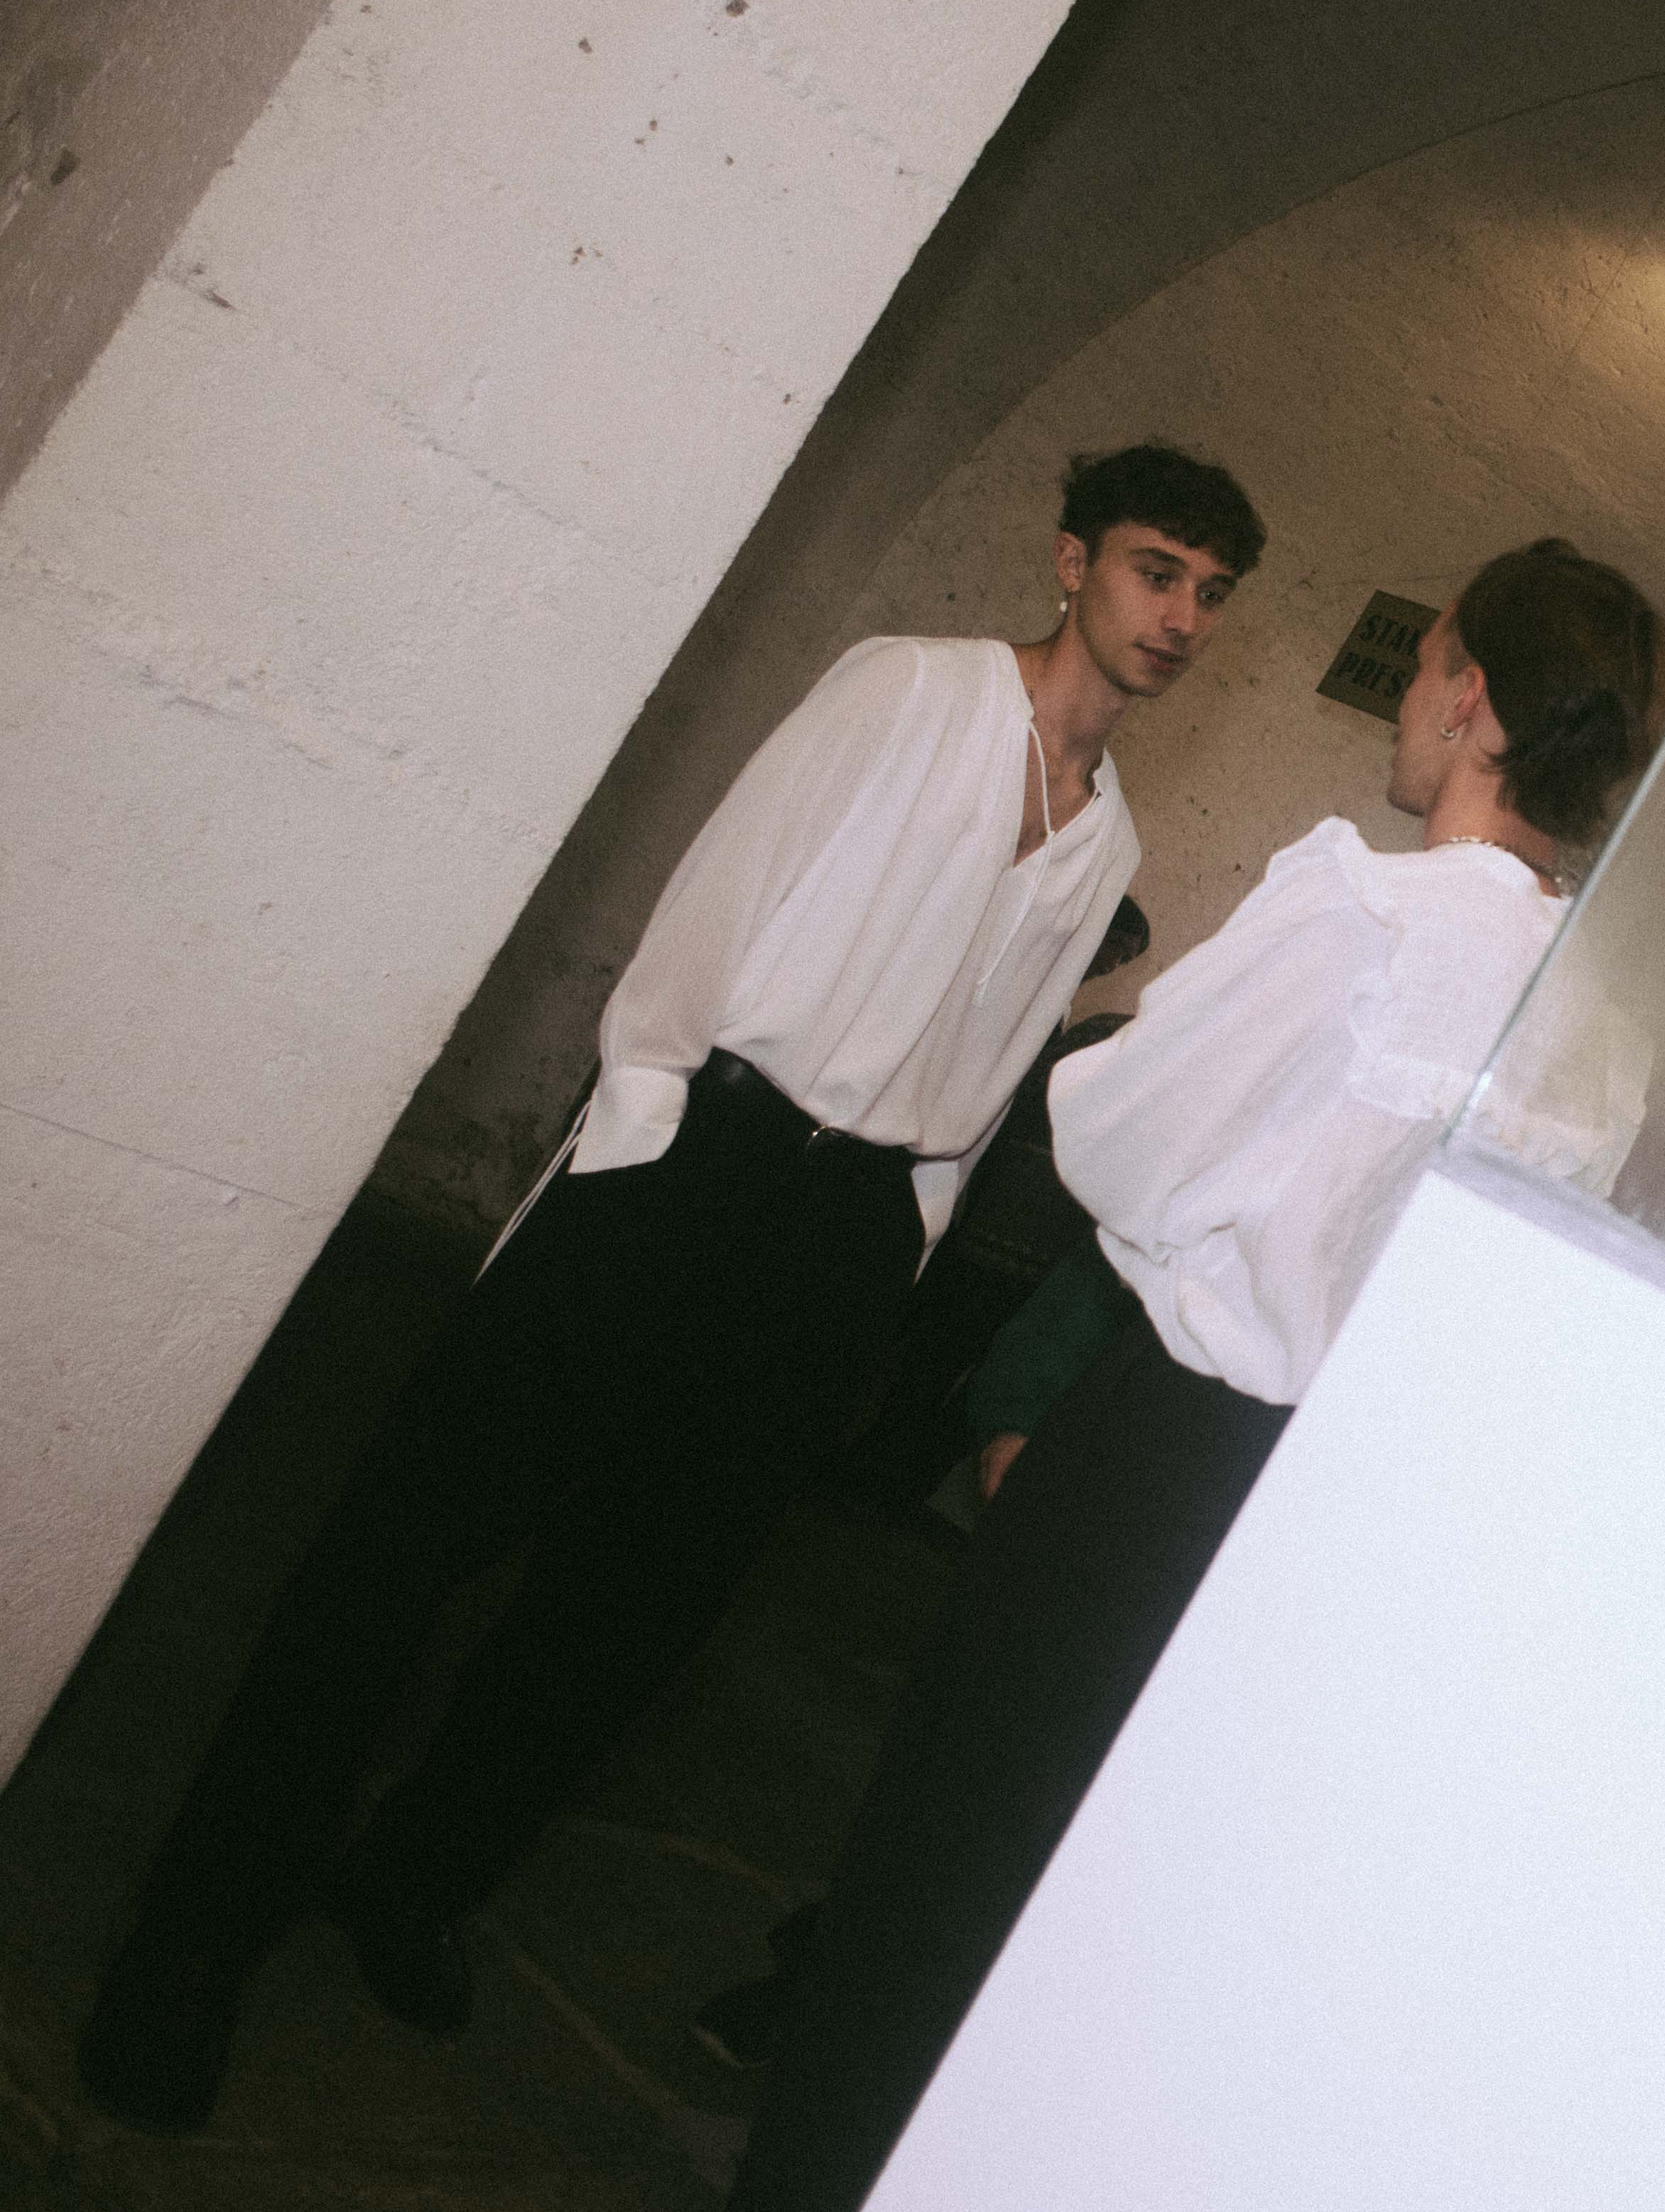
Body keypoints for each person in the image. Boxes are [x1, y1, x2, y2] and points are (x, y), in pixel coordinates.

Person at [77, 444, 1264, 2135]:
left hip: (842, 1242)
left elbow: (986, 1079)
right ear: (1074, 562)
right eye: (1158, 570)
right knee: (402, 1552)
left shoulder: (1107, 843)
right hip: (694, 1160)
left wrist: (894, 1250)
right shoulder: (908, 690)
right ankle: (186, 1947)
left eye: (1212, 594)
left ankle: (413, 1880)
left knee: (623, 1620)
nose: (1183, 616)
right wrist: (637, 1151)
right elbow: (718, 899)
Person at [722, 536, 1665, 2212]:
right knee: (1112, 1914)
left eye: (1426, 662)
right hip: (1333, 1506)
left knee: (949, 1863)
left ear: (1469, 697)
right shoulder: (1601, 1013)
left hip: (1167, 1450)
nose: (1412, 698)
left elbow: (1114, 1130)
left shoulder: (1368, 904)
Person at [826, 894, 1151, 1515]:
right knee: (927, 1365)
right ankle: (873, 1479)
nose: (1112, 964)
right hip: (984, 1231)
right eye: (1114, 947)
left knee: (965, 1379)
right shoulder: (1077, 1027)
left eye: (1125, 958)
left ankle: (891, 1487)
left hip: (1023, 1254)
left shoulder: (1087, 1030)